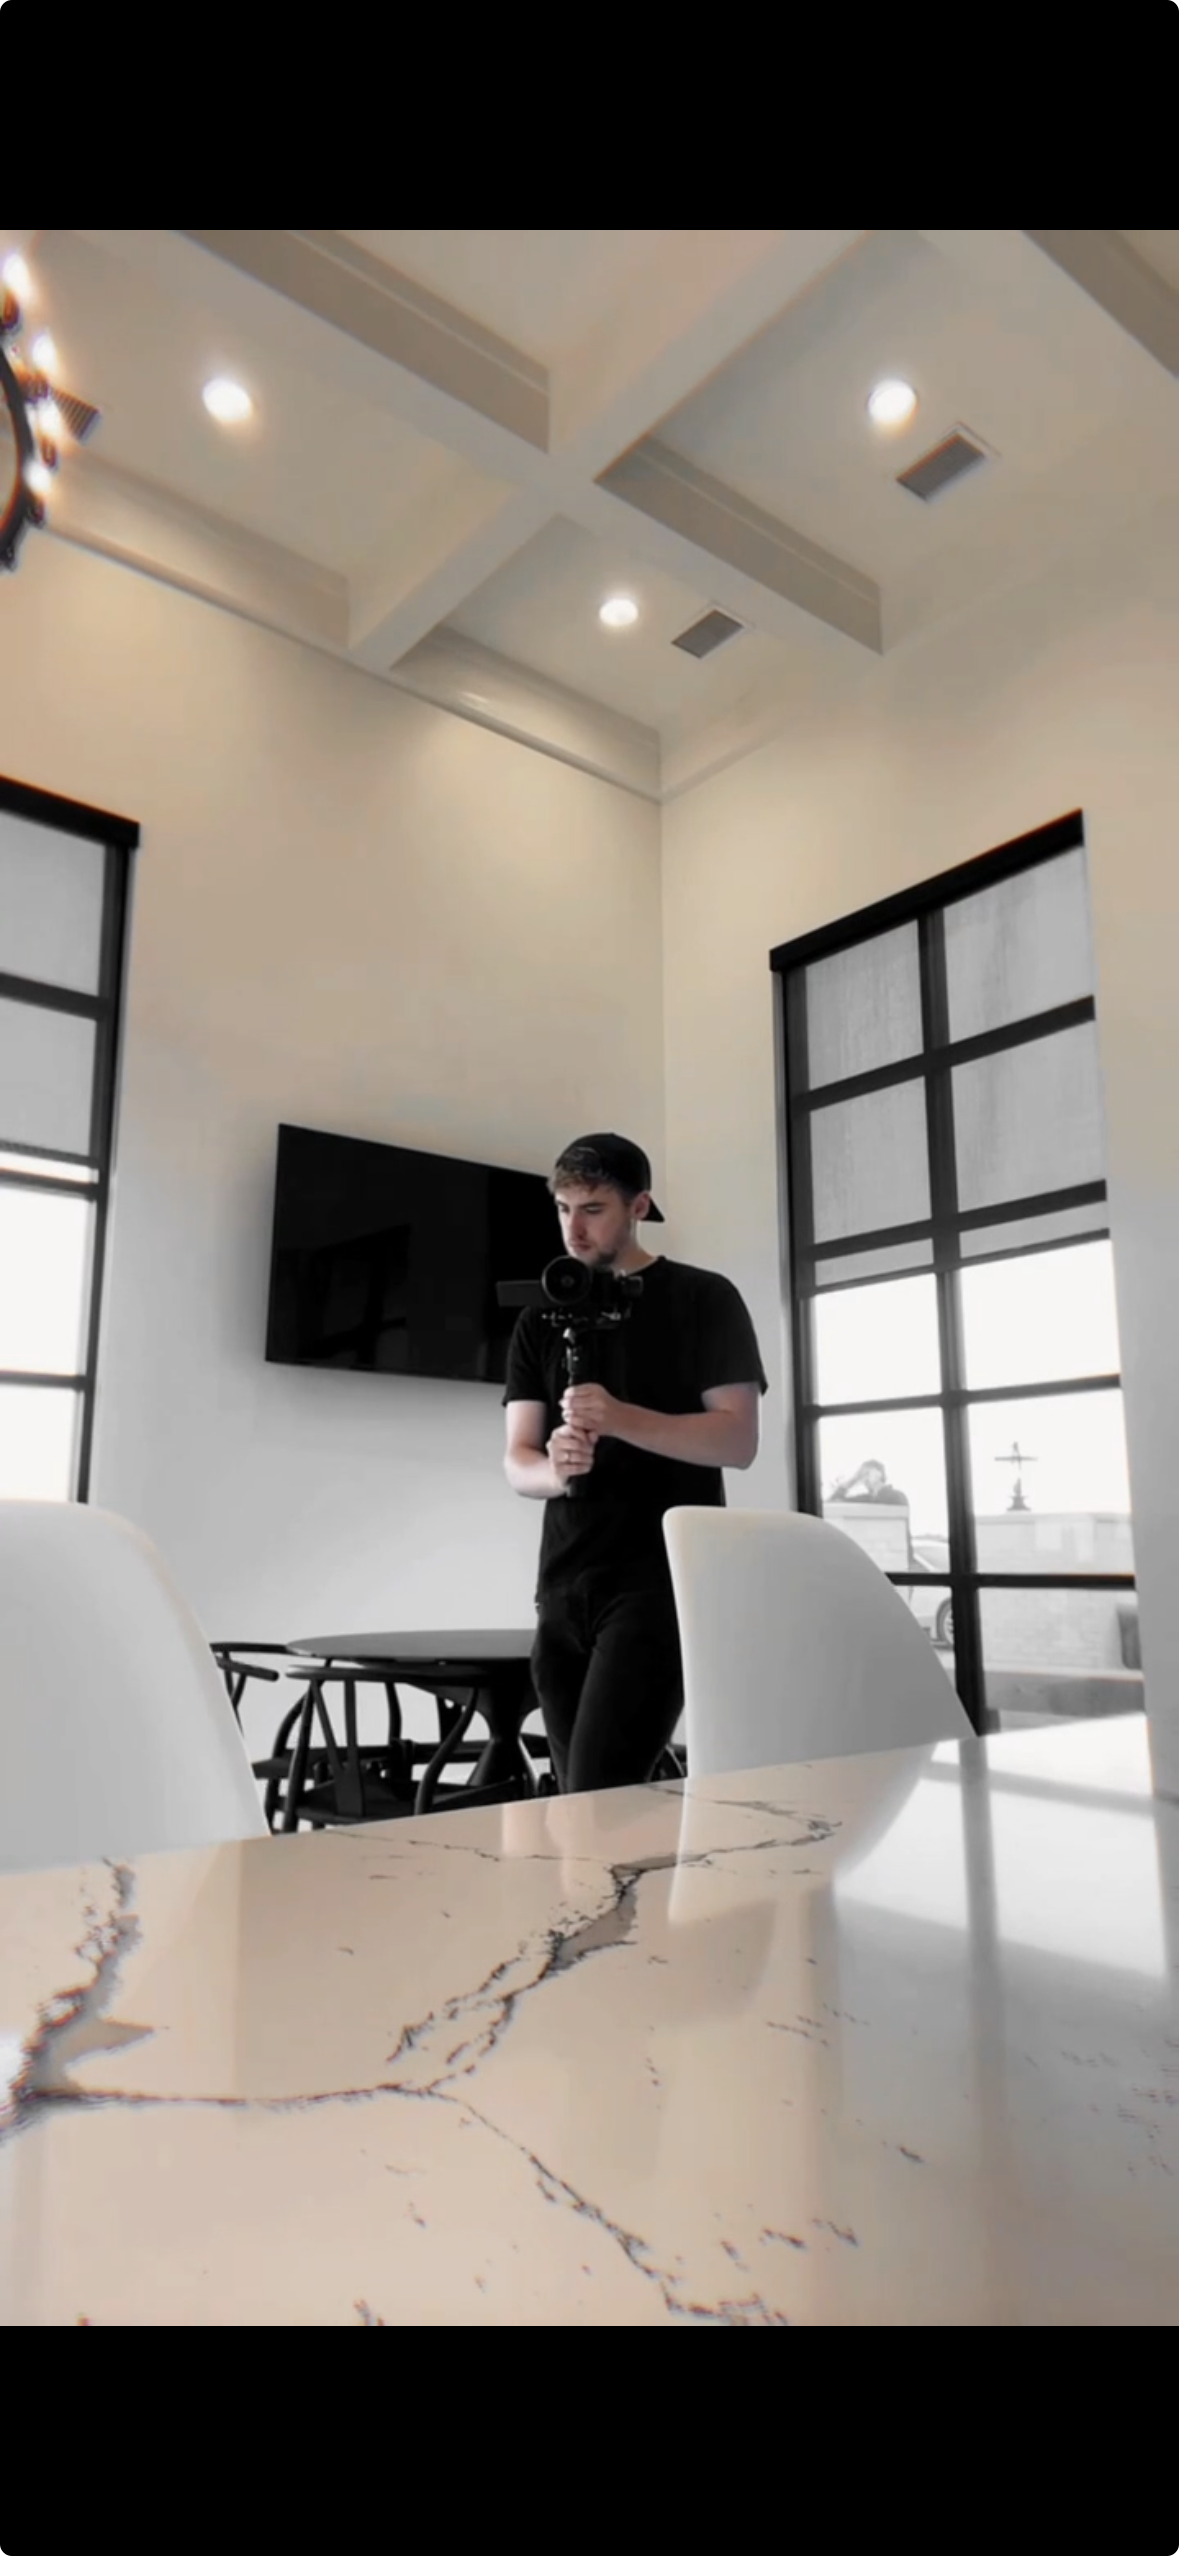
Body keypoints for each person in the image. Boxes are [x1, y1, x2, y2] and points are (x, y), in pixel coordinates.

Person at [503, 1133, 767, 1794]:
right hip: (561, 1587)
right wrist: (555, 1471)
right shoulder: (539, 1318)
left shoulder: (704, 1299)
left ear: (639, 1206)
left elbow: (737, 1441)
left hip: (662, 1583)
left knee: (598, 1796)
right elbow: (517, 1460)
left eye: (592, 1209)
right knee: (579, 1805)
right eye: (563, 1208)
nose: (573, 1229)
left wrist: (620, 1418)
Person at [828, 1459, 909, 1509]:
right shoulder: (865, 1499)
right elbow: (832, 1503)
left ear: (879, 1474)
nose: (865, 1478)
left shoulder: (897, 1496)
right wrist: (853, 1480)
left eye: (867, 1473)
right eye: (862, 1476)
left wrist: (875, 1487)